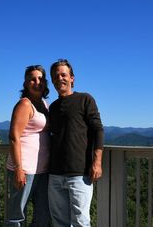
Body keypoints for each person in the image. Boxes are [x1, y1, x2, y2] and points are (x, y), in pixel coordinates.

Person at [48, 59, 104, 227]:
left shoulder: (85, 99)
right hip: (55, 173)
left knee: (81, 221)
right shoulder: (53, 107)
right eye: (56, 76)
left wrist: (97, 162)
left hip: (80, 173)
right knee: (59, 222)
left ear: (72, 78)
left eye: (63, 75)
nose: (60, 79)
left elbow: (98, 130)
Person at [6, 65, 51, 227]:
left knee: (43, 215)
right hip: (25, 170)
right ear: (25, 83)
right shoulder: (24, 104)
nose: (36, 82)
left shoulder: (44, 104)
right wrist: (19, 168)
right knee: (17, 216)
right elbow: (13, 136)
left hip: (42, 169)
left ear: (45, 83)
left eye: (40, 79)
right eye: (32, 79)